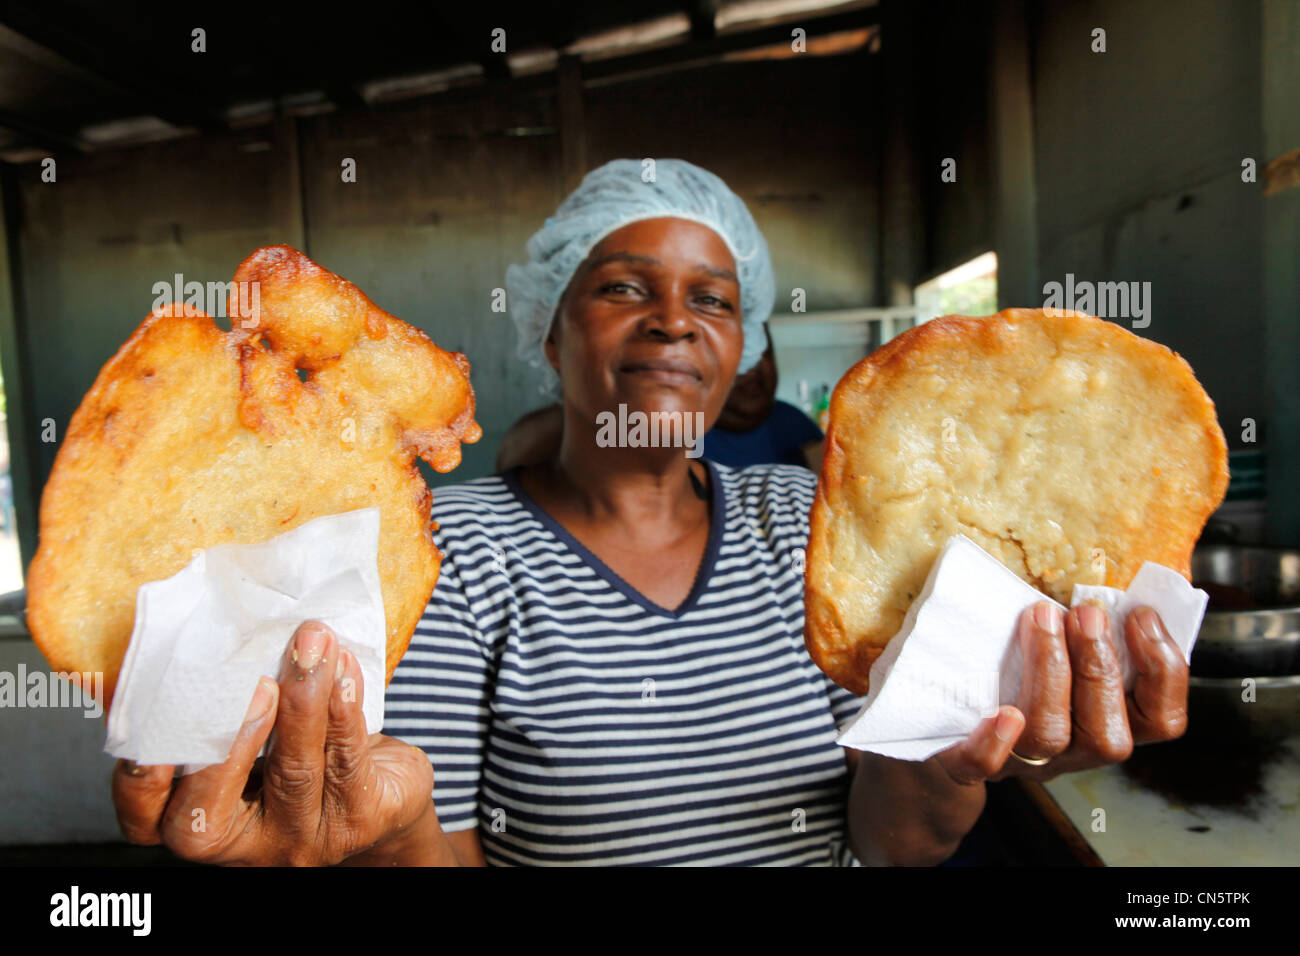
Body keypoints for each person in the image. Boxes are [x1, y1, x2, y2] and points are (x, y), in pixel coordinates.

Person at [112, 159, 1191, 866]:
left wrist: (953, 756)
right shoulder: (453, 551)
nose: (674, 320)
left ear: (742, 345)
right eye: (625, 286)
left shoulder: (810, 527)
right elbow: (438, 844)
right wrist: (390, 843)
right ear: (548, 327)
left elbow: (885, 838)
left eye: (714, 298)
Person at [494, 327, 824, 472]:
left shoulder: (790, 424)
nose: (753, 370)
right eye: (743, 358)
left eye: (763, 354)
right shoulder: (655, 426)